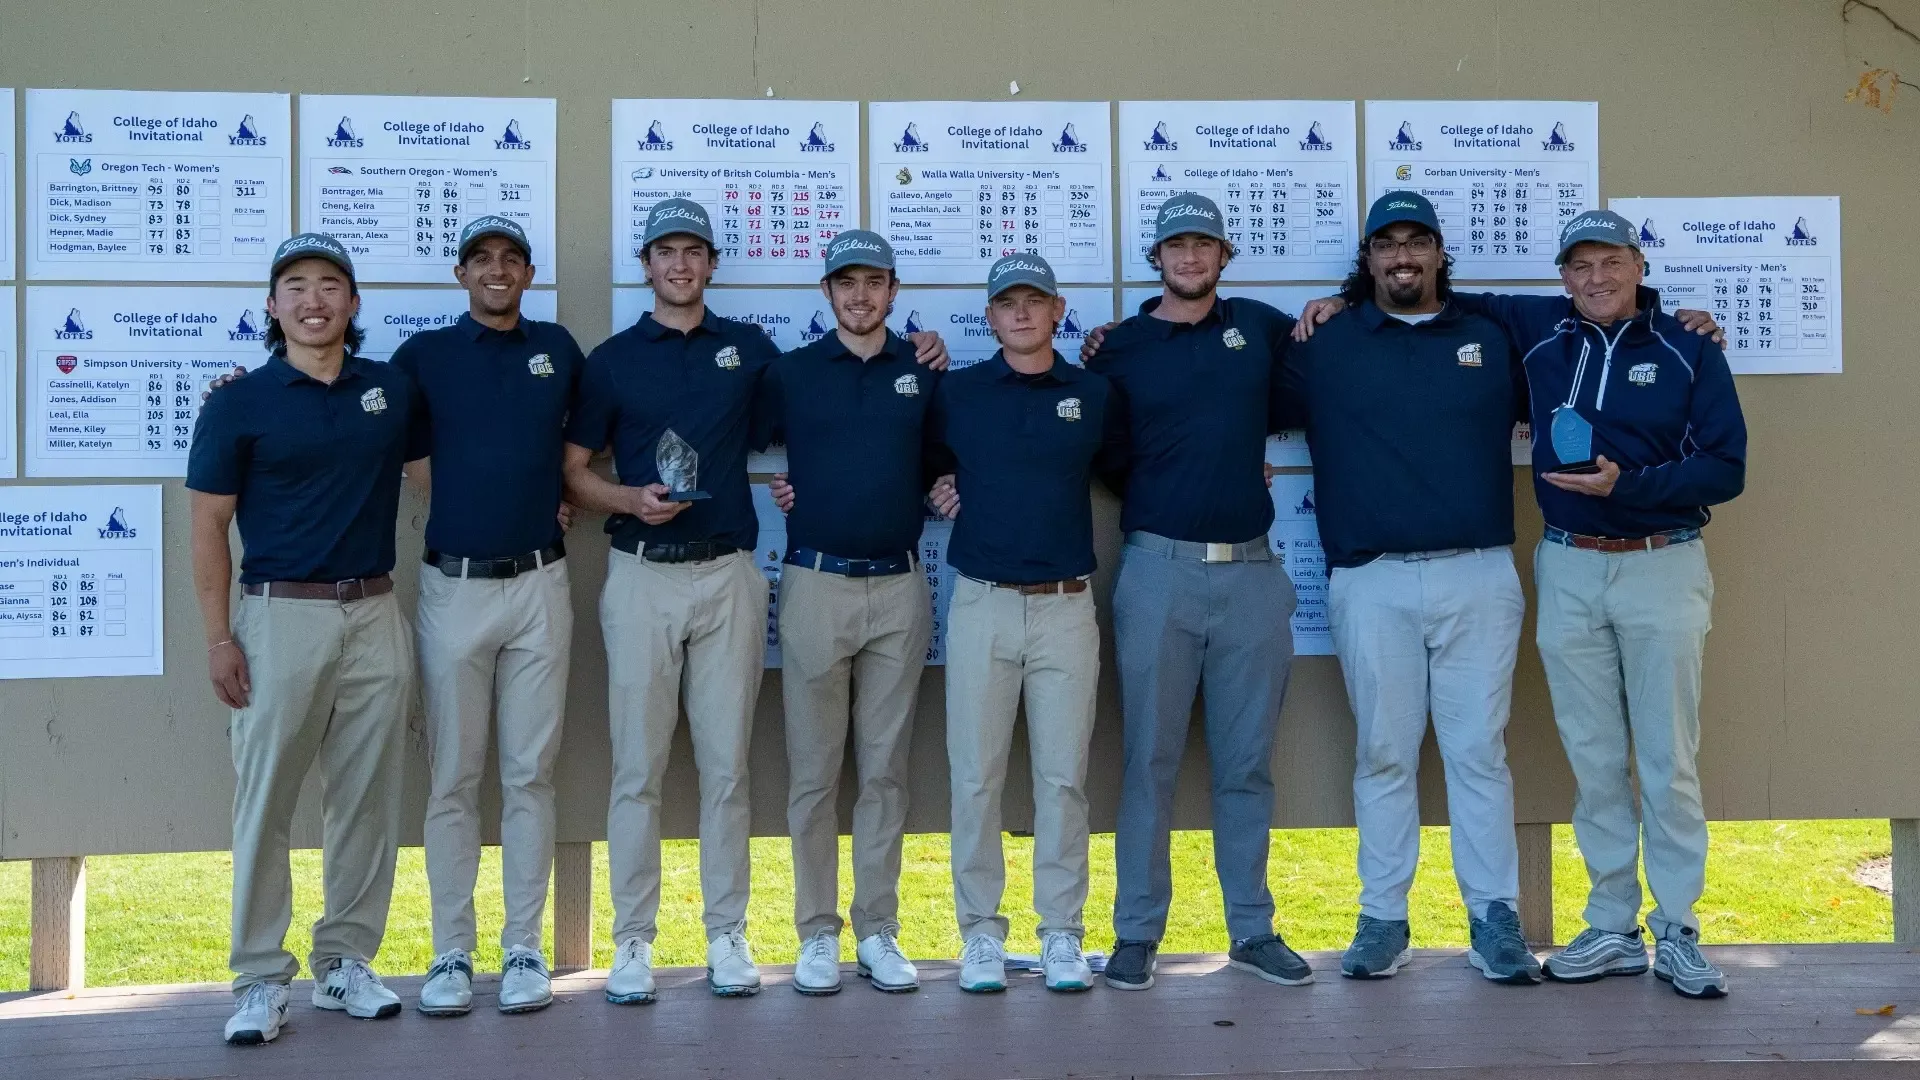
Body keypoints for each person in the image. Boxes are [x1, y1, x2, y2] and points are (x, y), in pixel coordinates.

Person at [563, 201, 947, 1004]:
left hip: (732, 571)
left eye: (693, 253)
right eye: (665, 253)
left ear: (710, 264)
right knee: (637, 769)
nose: (680, 266)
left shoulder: (753, 352)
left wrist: (927, 353)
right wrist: (625, 499)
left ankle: (727, 934)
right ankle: (633, 940)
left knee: (727, 769)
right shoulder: (610, 360)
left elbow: (827, 430)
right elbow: (574, 470)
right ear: (648, 265)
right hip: (640, 572)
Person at [1450, 211, 1746, 998]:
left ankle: (1678, 927)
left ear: (1638, 264)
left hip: (1662, 563)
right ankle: (1613, 925)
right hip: (1570, 567)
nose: (1595, 280)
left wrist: (1633, 487)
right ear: (1562, 277)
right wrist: (1339, 303)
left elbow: (1726, 468)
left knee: (1667, 759)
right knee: (1592, 755)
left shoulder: (1689, 345)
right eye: (1579, 267)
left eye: (1610, 263)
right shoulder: (1543, 327)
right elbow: (1434, 294)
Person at [1281, 192, 1542, 985]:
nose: (1403, 256)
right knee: (1385, 755)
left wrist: (1672, 309)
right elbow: (1216, 387)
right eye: (1387, 244)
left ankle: (1494, 918)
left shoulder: (1491, 335)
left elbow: (1589, 324)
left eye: (1417, 242)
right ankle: (1383, 918)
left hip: (1478, 571)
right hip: (1372, 579)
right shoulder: (1326, 342)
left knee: (1478, 753)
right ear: (1366, 259)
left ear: (1438, 253)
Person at [188, 233, 426, 1044]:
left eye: (331, 285)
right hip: (278, 614)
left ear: (354, 304)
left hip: (374, 611)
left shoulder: (392, 391)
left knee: (367, 798)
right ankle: (258, 976)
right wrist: (219, 637)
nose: (314, 299)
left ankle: (346, 962)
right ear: (272, 305)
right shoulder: (237, 402)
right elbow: (208, 525)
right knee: (266, 801)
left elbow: (442, 477)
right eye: (296, 286)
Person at [1082, 194, 1311, 991]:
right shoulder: (1120, 349)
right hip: (1158, 571)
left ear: (1224, 254)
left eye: (1203, 246)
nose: (1189, 258)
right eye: (1176, 245)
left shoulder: (1261, 328)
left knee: (1246, 764)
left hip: (1251, 571)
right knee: (1147, 757)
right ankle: (1137, 931)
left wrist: (1335, 305)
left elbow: (1329, 364)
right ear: (1157, 257)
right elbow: (1103, 455)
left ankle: (1251, 928)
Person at [394, 217, 585, 1017]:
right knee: (453, 778)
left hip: (541, 583)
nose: (496, 271)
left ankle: (523, 948)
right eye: (482, 261)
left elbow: (591, 445)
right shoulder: (424, 357)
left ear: (528, 273)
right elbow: (379, 430)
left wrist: (559, 497)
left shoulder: (560, 351)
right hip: (455, 588)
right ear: (461, 274)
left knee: (529, 774)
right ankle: (450, 952)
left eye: (510, 260)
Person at [926, 253, 1123, 994]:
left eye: (1034, 302)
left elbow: (1138, 467)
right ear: (990, 315)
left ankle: (1063, 933)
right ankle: (980, 933)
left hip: (1068, 607)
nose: (1020, 314)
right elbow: (910, 460)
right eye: (1006, 303)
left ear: (1057, 309)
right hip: (981, 601)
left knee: (1062, 780)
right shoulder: (959, 392)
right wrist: (938, 484)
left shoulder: (1095, 393)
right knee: (975, 777)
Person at [754, 230, 938, 995]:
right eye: (846, 283)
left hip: (899, 586)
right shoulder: (790, 374)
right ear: (826, 294)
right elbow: (720, 436)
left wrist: (950, 484)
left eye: (874, 283)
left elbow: (953, 460)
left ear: (893, 291)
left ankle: (878, 929)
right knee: (813, 772)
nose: (860, 296)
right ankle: (816, 933)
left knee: (886, 773)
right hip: (815, 585)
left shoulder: (924, 373)